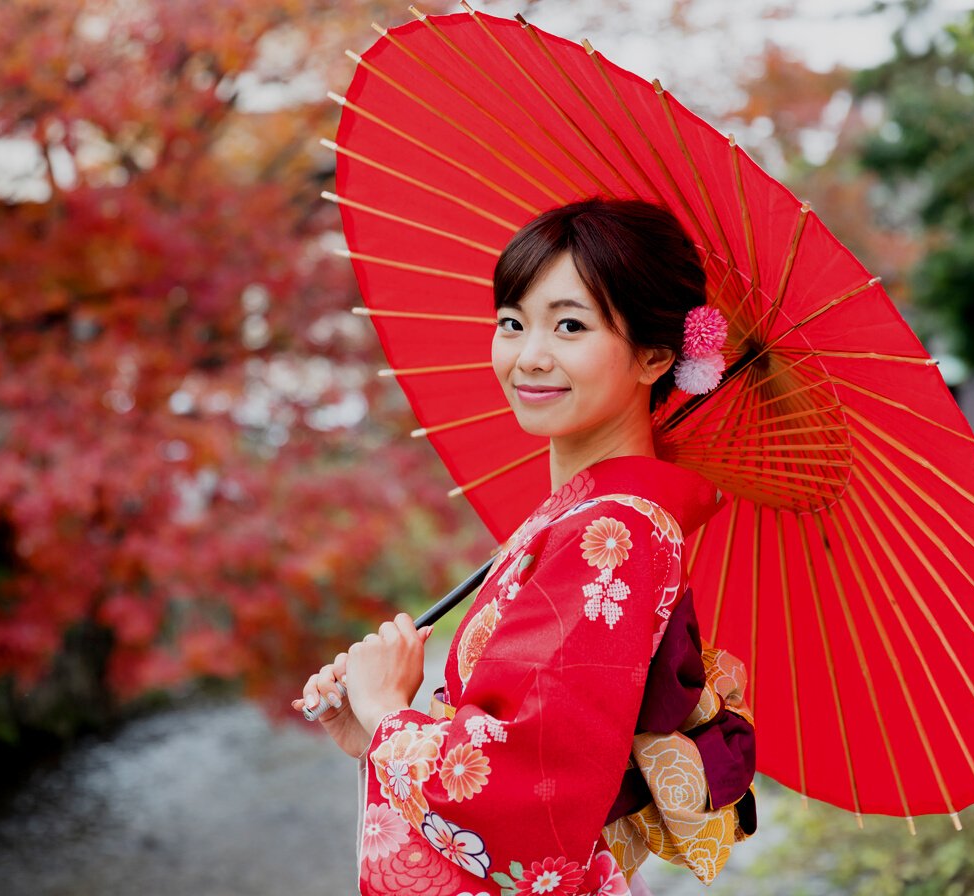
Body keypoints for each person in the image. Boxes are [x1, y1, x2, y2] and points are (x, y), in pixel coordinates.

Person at [293, 198, 755, 896]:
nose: (528, 356)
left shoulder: (617, 537)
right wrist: (379, 738)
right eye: (512, 323)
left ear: (656, 356)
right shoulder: (581, 521)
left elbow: (524, 791)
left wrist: (391, 715)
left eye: (569, 325)